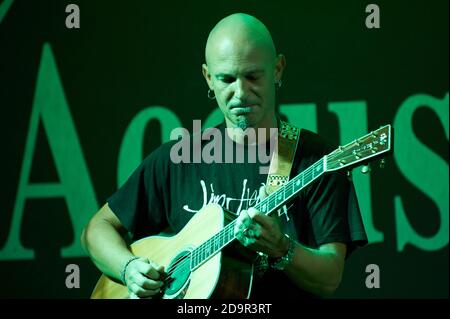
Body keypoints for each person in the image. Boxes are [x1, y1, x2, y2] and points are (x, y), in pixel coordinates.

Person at [81, 13, 368, 299]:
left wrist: (282, 248)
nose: (240, 92)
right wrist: (128, 268)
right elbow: (97, 229)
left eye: (253, 76)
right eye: (226, 79)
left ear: (278, 69)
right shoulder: (180, 157)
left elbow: (329, 277)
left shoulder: (317, 159)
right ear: (208, 77)